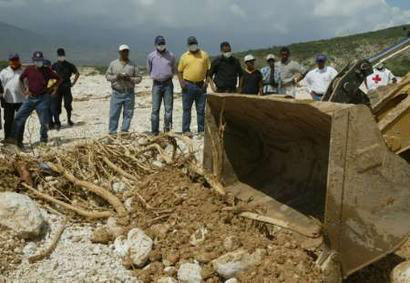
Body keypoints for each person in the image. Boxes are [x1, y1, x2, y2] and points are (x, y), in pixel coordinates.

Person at [7, 51, 61, 146]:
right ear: (33, 60)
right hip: (30, 99)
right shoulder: (29, 69)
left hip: (43, 99)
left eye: (39, 60)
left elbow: (59, 79)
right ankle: (12, 138)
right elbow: (21, 79)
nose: (38, 62)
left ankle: (43, 139)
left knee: (44, 121)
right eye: (36, 60)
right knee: (18, 117)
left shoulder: (47, 70)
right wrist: (25, 89)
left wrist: (50, 88)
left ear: (42, 60)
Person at [177, 36, 210, 136]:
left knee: (200, 109)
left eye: (194, 43)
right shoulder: (184, 56)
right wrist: (181, 83)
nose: (193, 46)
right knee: (187, 109)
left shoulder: (204, 55)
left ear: (197, 43)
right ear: (188, 45)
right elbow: (179, 71)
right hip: (188, 85)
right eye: (191, 44)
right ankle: (186, 130)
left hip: (201, 85)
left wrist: (206, 83)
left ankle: (201, 130)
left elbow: (209, 71)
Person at [105, 44, 142, 135]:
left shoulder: (133, 65)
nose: (125, 53)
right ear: (119, 52)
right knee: (114, 113)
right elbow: (107, 76)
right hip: (116, 93)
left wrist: (130, 79)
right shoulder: (113, 64)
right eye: (123, 51)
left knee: (128, 114)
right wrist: (117, 77)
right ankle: (112, 132)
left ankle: (124, 132)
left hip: (129, 93)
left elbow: (139, 78)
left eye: (126, 51)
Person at [147, 35, 177, 135]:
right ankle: (154, 131)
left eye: (162, 43)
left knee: (168, 109)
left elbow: (173, 69)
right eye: (159, 44)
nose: (161, 45)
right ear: (155, 44)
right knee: (155, 109)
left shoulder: (171, 55)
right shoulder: (151, 56)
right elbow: (149, 69)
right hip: (156, 85)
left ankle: (167, 130)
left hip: (168, 84)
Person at [0, 54, 25, 147]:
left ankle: (19, 141)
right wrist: (1, 97)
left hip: (21, 100)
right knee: (8, 121)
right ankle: (7, 140)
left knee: (20, 121)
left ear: (18, 60)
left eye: (15, 60)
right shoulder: (3, 72)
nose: (14, 62)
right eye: (12, 60)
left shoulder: (23, 71)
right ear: (9, 61)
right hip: (7, 100)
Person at [52, 48, 80, 128]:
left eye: (62, 55)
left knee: (68, 104)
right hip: (57, 88)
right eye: (60, 55)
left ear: (64, 55)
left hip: (67, 86)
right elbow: (49, 74)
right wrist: (51, 85)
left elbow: (77, 73)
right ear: (57, 56)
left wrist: (73, 83)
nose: (61, 57)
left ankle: (69, 120)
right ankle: (57, 122)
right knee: (57, 105)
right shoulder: (54, 65)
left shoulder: (69, 65)